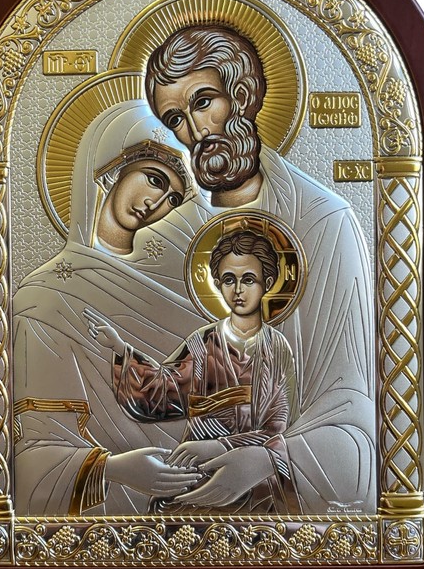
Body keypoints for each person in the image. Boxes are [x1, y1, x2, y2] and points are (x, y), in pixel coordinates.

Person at [129, 25, 377, 513]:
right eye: (175, 119)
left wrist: (267, 459)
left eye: (204, 102)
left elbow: (353, 416)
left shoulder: (323, 222)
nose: (196, 131)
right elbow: (162, 390)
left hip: (286, 503)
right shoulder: (166, 236)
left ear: (241, 96)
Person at [13, 99, 205, 516]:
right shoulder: (43, 297)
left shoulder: (177, 287)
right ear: (113, 168)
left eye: (173, 198)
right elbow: (31, 455)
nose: (156, 202)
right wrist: (112, 469)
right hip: (99, 518)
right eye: (153, 178)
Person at [84, 229, 297, 513]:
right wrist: (120, 349)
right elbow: (162, 390)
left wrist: (220, 446)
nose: (238, 290)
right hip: (195, 472)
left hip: (252, 481)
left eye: (248, 279)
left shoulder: (276, 349)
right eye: (229, 280)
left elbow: (279, 430)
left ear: (267, 283)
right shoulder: (202, 343)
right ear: (218, 284)